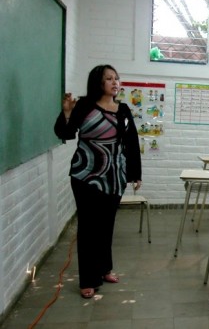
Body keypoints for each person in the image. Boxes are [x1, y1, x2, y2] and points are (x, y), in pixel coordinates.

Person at [53, 64, 142, 299]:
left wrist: (135, 174)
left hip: (114, 177)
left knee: (106, 226)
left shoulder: (122, 109)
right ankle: (88, 279)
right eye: (109, 78)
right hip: (86, 176)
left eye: (117, 78)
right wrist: (67, 113)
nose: (115, 82)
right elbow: (66, 134)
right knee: (89, 228)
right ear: (98, 83)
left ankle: (104, 269)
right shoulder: (84, 105)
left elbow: (131, 143)